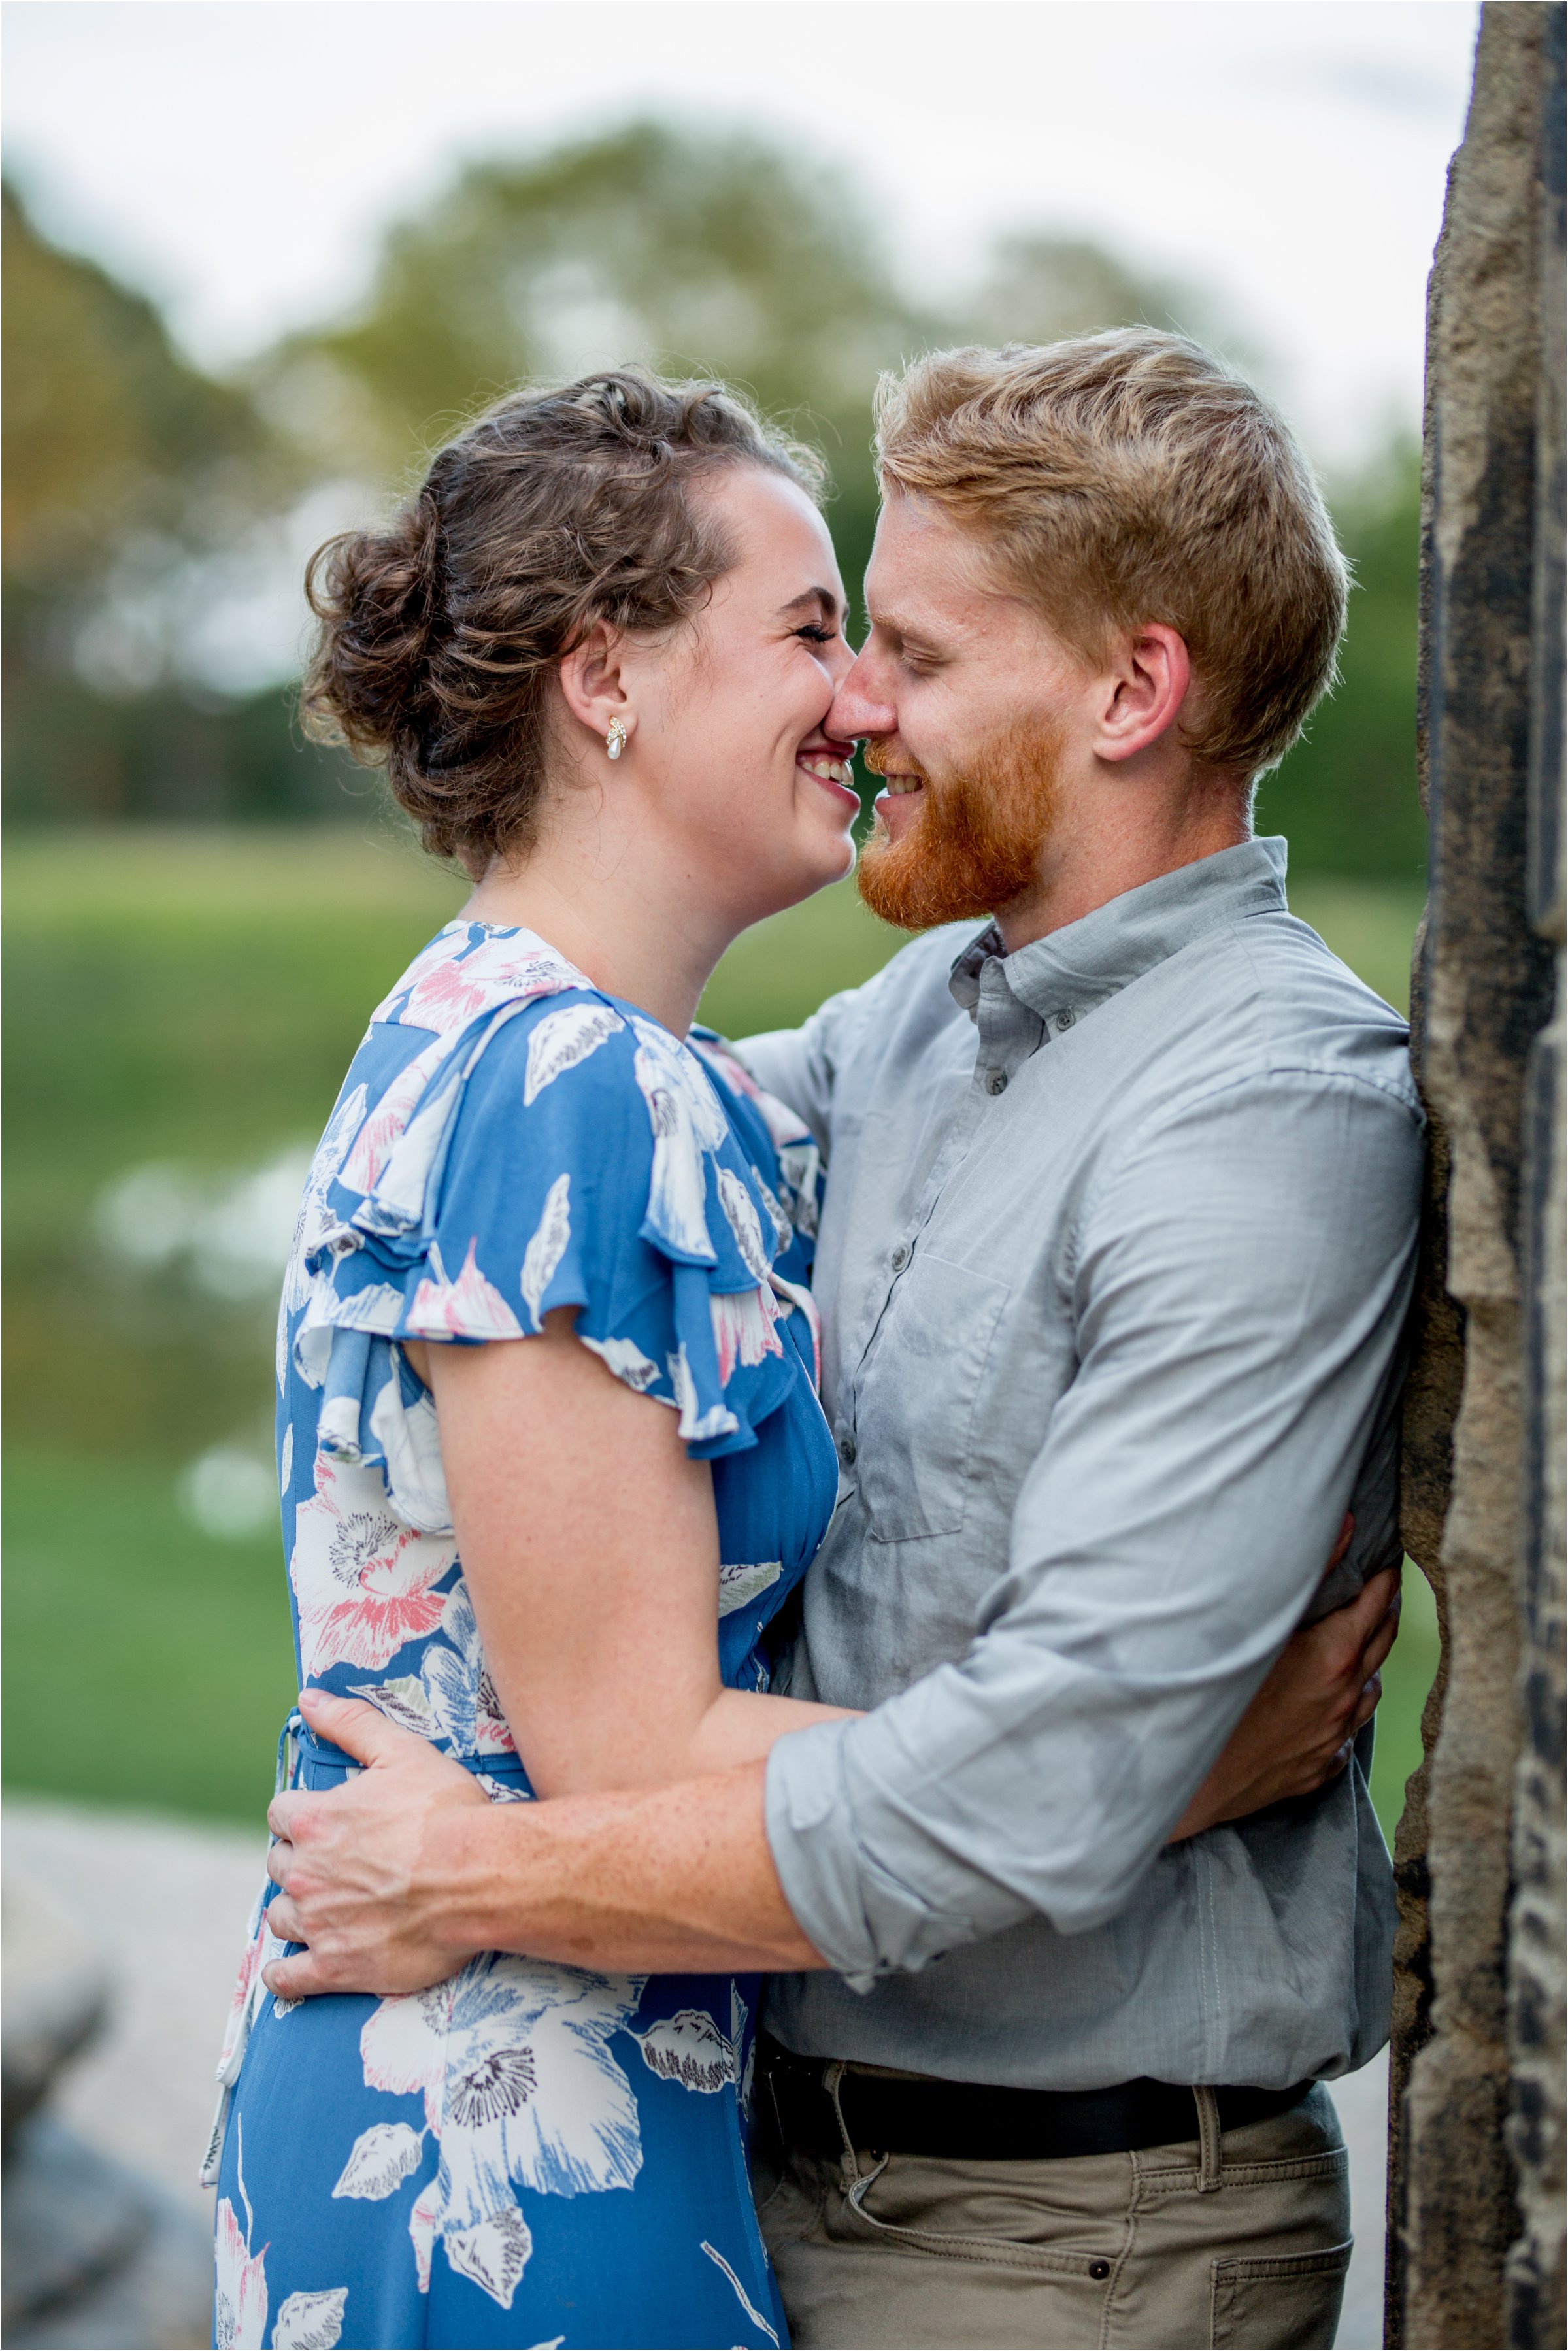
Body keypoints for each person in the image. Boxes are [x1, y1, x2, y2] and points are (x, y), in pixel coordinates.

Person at [257, 338, 1419, 2351]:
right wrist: (1169, 1781)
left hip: (1063, 2239)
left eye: (908, 652)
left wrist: (477, 1876)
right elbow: (570, 1136)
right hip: (732, 2144)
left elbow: (1049, 1784)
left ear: (1135, 694)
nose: (859, 705)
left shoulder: (1264, 1114)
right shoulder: (885, 1035)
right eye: (825, 633)